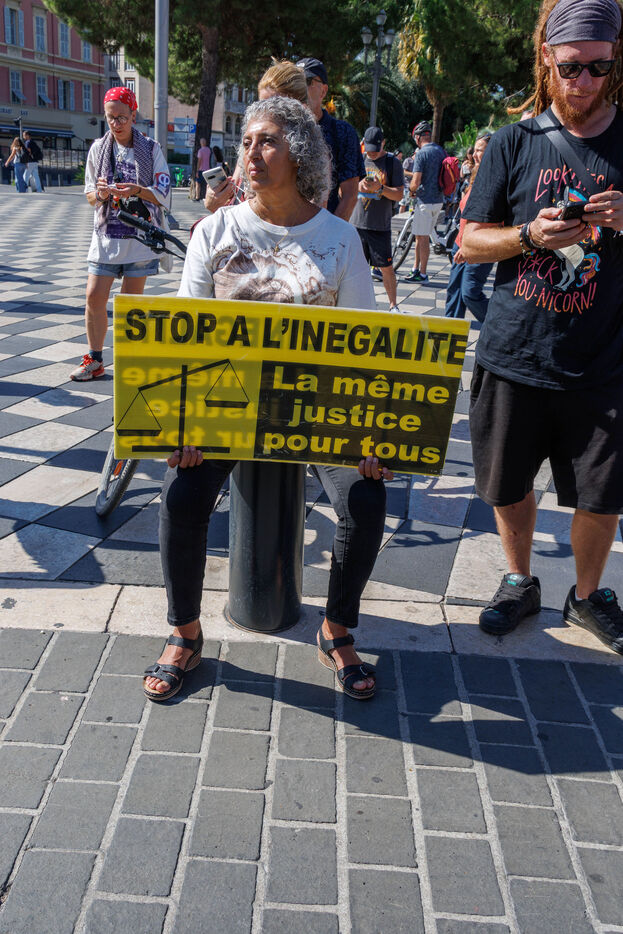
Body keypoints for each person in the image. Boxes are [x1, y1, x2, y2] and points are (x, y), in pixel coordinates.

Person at [143, 96, 391, 703]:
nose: (251, 153)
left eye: (268, 141)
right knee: (181, 495)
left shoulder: (339, 239)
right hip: (229, 406)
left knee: (365, 498)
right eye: (248, 142)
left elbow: (363, 347)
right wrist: (184, 429)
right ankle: (185, 632)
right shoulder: (214, 231)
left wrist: (366, 438)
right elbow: (186, 338)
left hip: (318, 410)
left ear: (299, 153)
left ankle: (336, 628)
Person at [461, 0, 623, 653]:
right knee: (507, 485)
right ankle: (519, 580)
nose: (583, 81)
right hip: (514, 352)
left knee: (602, 496)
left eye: (598, 67)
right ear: (546, 59)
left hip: (604, 360)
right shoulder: (513, 142)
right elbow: (468, 242)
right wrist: (528, 235)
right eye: (570, 67)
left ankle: (587, 596)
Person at [69, 86, 171, 381]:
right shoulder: (98, 149)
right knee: (93, 297)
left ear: (133, 115)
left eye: (122, 117)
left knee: (129, 305)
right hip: (106, 236)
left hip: (139, 239)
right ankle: (95, 359)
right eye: (111, 117)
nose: (116, 123)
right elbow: (90, 195)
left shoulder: (151, 148)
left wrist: (137, 190)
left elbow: (163, 191)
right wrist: (101, 194)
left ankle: (128, 361)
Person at [203, 59, 308, 212]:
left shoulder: (313, 159)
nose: (265, 113)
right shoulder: (249, 151)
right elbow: (234, 205)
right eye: (261, 105)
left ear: (300, 108)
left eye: (276, 106)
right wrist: (215, 205)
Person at [296, 57, 365, 220]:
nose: (300, 88)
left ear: (324, 91)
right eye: (295, 82)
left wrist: (330, 232)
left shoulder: (342, 132)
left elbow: (350, 195)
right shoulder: (279, 129)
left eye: (307, 81)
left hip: (324, 227)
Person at [351, 126, 404, 313]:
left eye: (375, 149)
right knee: (354, 269)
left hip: (380, 226)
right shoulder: (358, 159)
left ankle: (393, 305)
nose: (371, 153)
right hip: (356, 224)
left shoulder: (392, 163)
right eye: (368, 149)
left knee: (386, 268)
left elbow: (399, 194)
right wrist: (358, 186)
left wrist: (380, 189)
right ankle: (355, 304)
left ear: (383, 143)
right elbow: (344, 189)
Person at [444, 132, 493, 321]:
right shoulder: (476, 173)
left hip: (480, 244)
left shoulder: (496, 176)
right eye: (475, 150)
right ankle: (449, 330)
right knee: (454, 291)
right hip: (461, 241)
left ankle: (497, 326)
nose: (475, 155)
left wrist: (468, 247)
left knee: (470, 293)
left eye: (480, 150)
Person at [403, 121, 445, 283]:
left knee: (422, 238)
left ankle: (422, 274)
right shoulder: (440, 151)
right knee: (421, 237)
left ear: (418, 137)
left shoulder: (421, 154)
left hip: (424, 201)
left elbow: (415, 181)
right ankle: (415, 269)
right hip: (438, 200)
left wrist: (411, 191)